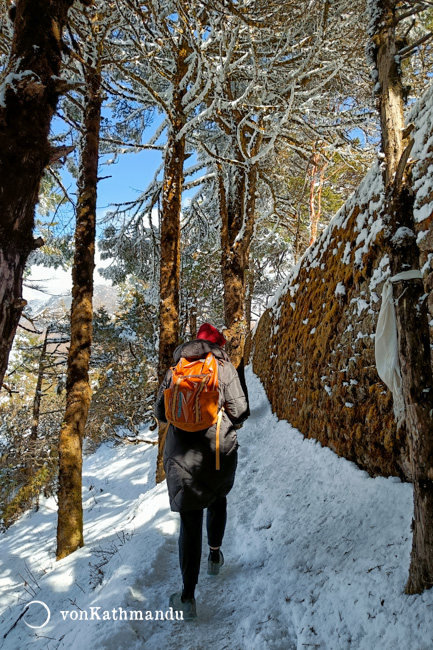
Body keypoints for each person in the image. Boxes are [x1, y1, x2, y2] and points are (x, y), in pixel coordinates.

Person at [155, 323, 249, 619]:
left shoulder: (177, 367)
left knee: (190, 518)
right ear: (218, 345)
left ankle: (186, 596)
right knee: (217, 498)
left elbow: (160, 412)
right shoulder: (223, 367)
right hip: (216, 451)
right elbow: (241, 409)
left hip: (180, 453)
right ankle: (214, 556)